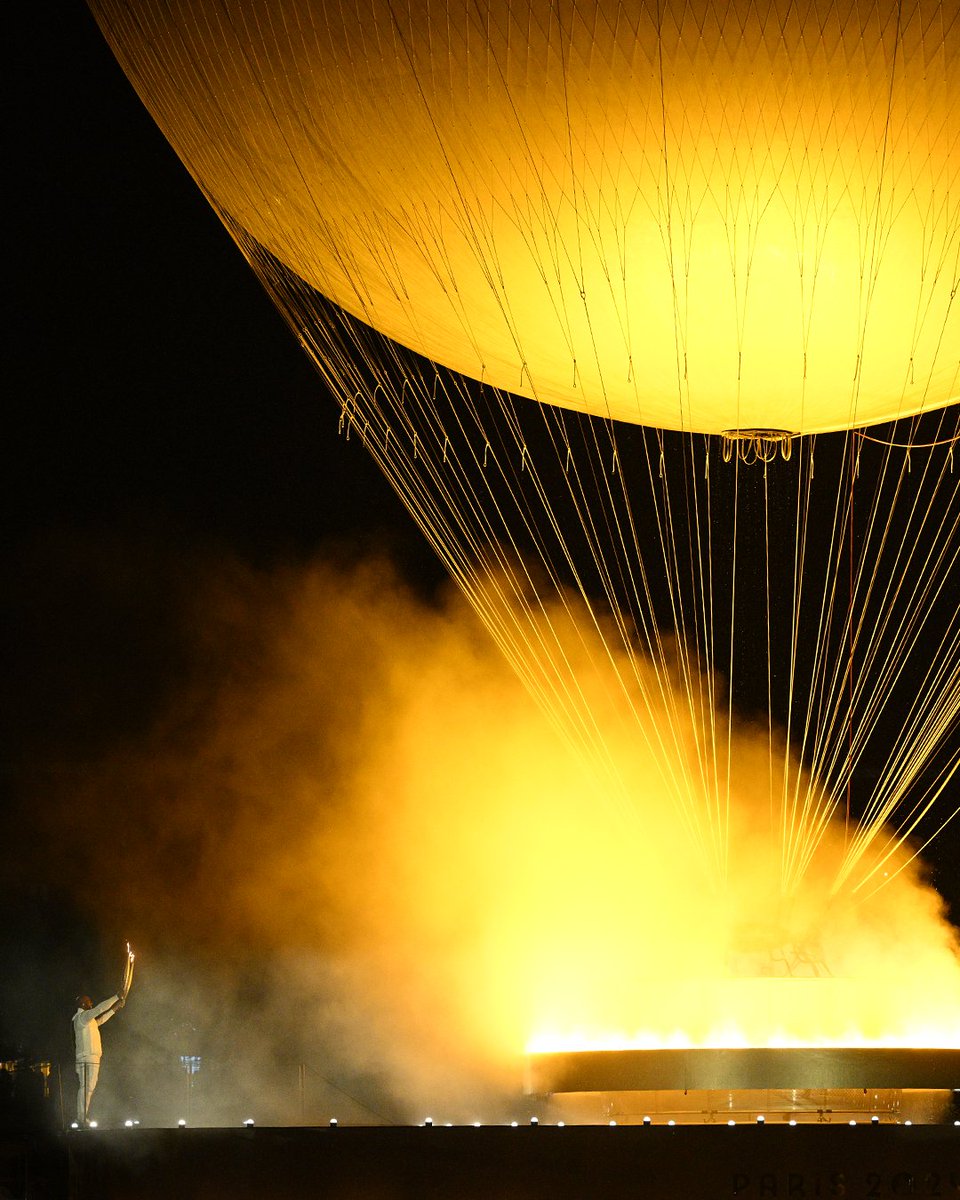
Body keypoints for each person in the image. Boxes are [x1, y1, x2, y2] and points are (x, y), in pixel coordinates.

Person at [72, 944, 135, 1125]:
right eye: (88, 1001)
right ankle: (80, 1118)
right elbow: (99, 1009)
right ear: (83, 1004)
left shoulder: (88, 1021)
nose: (91, 1002)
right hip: (86, 1059)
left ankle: (83, 1117)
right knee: (86, 1088)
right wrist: (116, 996)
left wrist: (115, 1008)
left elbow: (101, 1018)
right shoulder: (81, 1018)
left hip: (92, 1058)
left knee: (89, 1088)